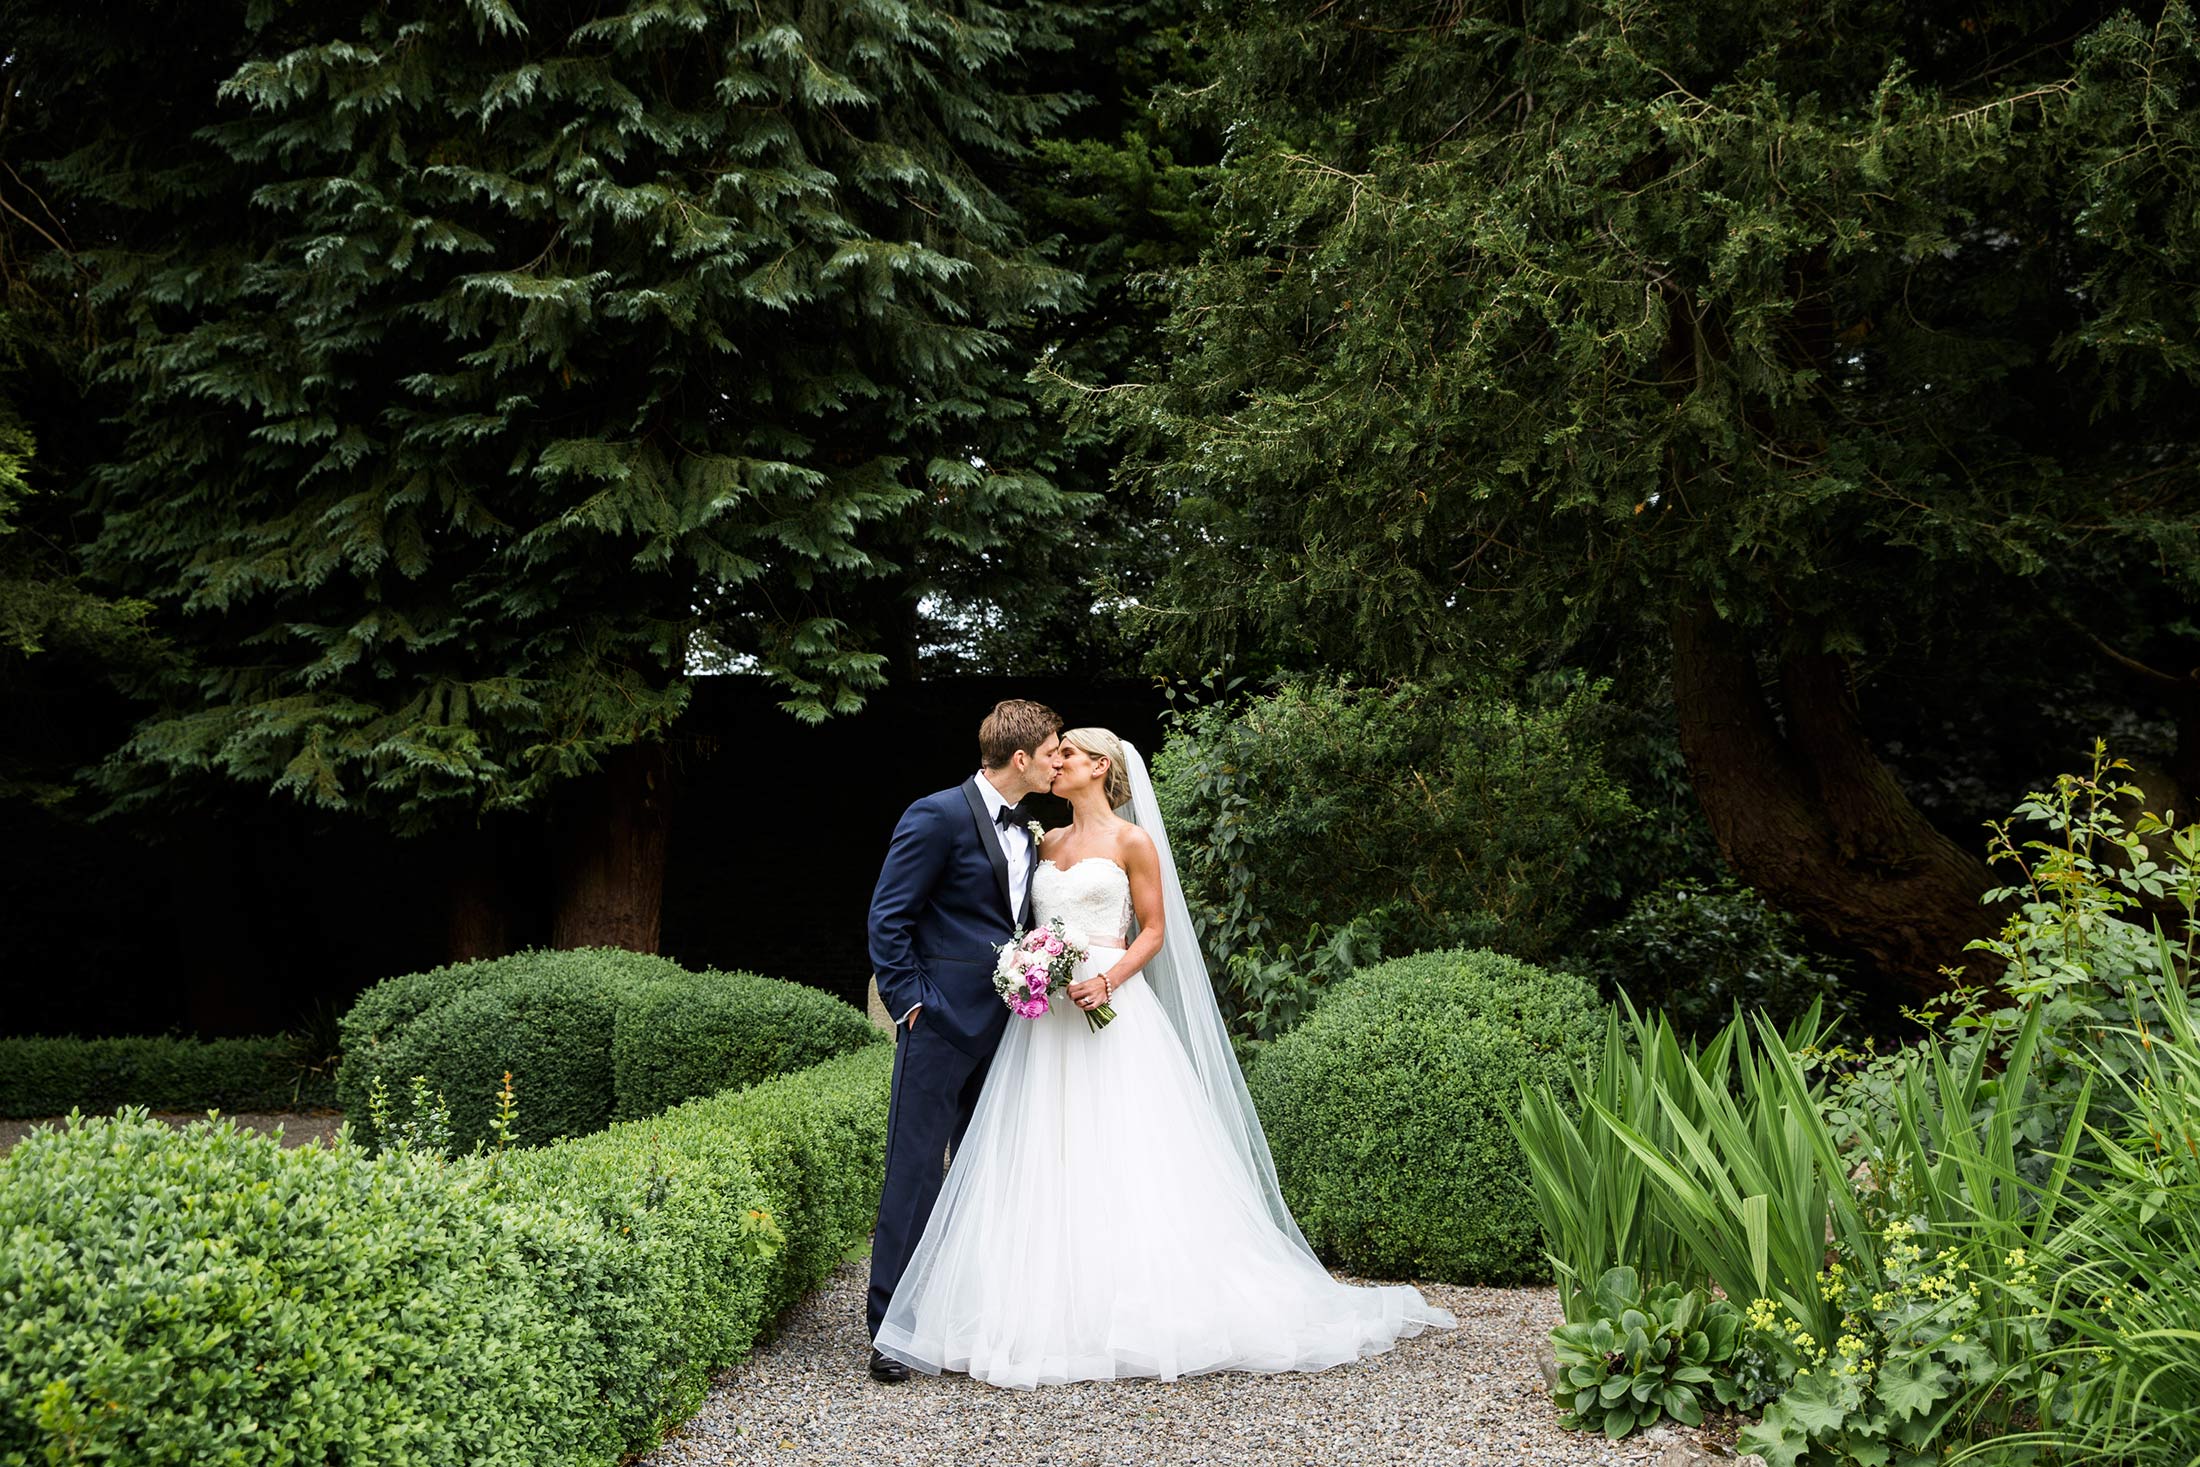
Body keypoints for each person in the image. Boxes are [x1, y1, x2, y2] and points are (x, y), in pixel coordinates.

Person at [872, 726, 1455, 1388]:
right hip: (1042, 1022)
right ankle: (1003, 1302)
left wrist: (1109, 978)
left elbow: (1153, 928)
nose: (1057, 761)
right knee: (1034, 1152)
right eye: (1052, 751)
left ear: (1100, 765)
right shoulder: (1047, 841)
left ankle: (1126, 1305)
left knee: (1125, 1151)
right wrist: (1033, 965)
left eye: (1069, 753)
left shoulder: (1132, 840)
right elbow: (1007, 924)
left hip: (1110, 1009)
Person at [863, 699, 1065, 1383]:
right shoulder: (937, 814)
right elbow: (888, 917)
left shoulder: (1033, 833)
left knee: (988, 1175)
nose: (1057, 759)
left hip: (1010, 1026)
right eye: (1051, 749)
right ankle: (890, 1329)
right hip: (941, 1022)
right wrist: (912, 1002)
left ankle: (965, 1318)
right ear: (1020, 758)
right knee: (915, 1169)